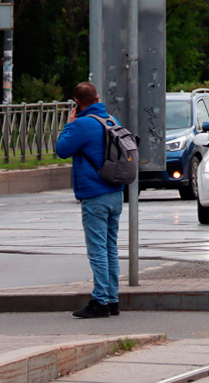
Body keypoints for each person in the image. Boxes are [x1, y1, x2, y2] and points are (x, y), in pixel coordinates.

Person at [55, 81, 124, 320]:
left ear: (77, 103)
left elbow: (62, 149)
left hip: (95, 196)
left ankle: (100, 301)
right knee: (110, 248)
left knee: (97, 251)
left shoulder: (82, 124)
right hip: (116, 193)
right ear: (97, 98)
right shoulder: (112, 121)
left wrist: (69, 123)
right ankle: (113, 299)